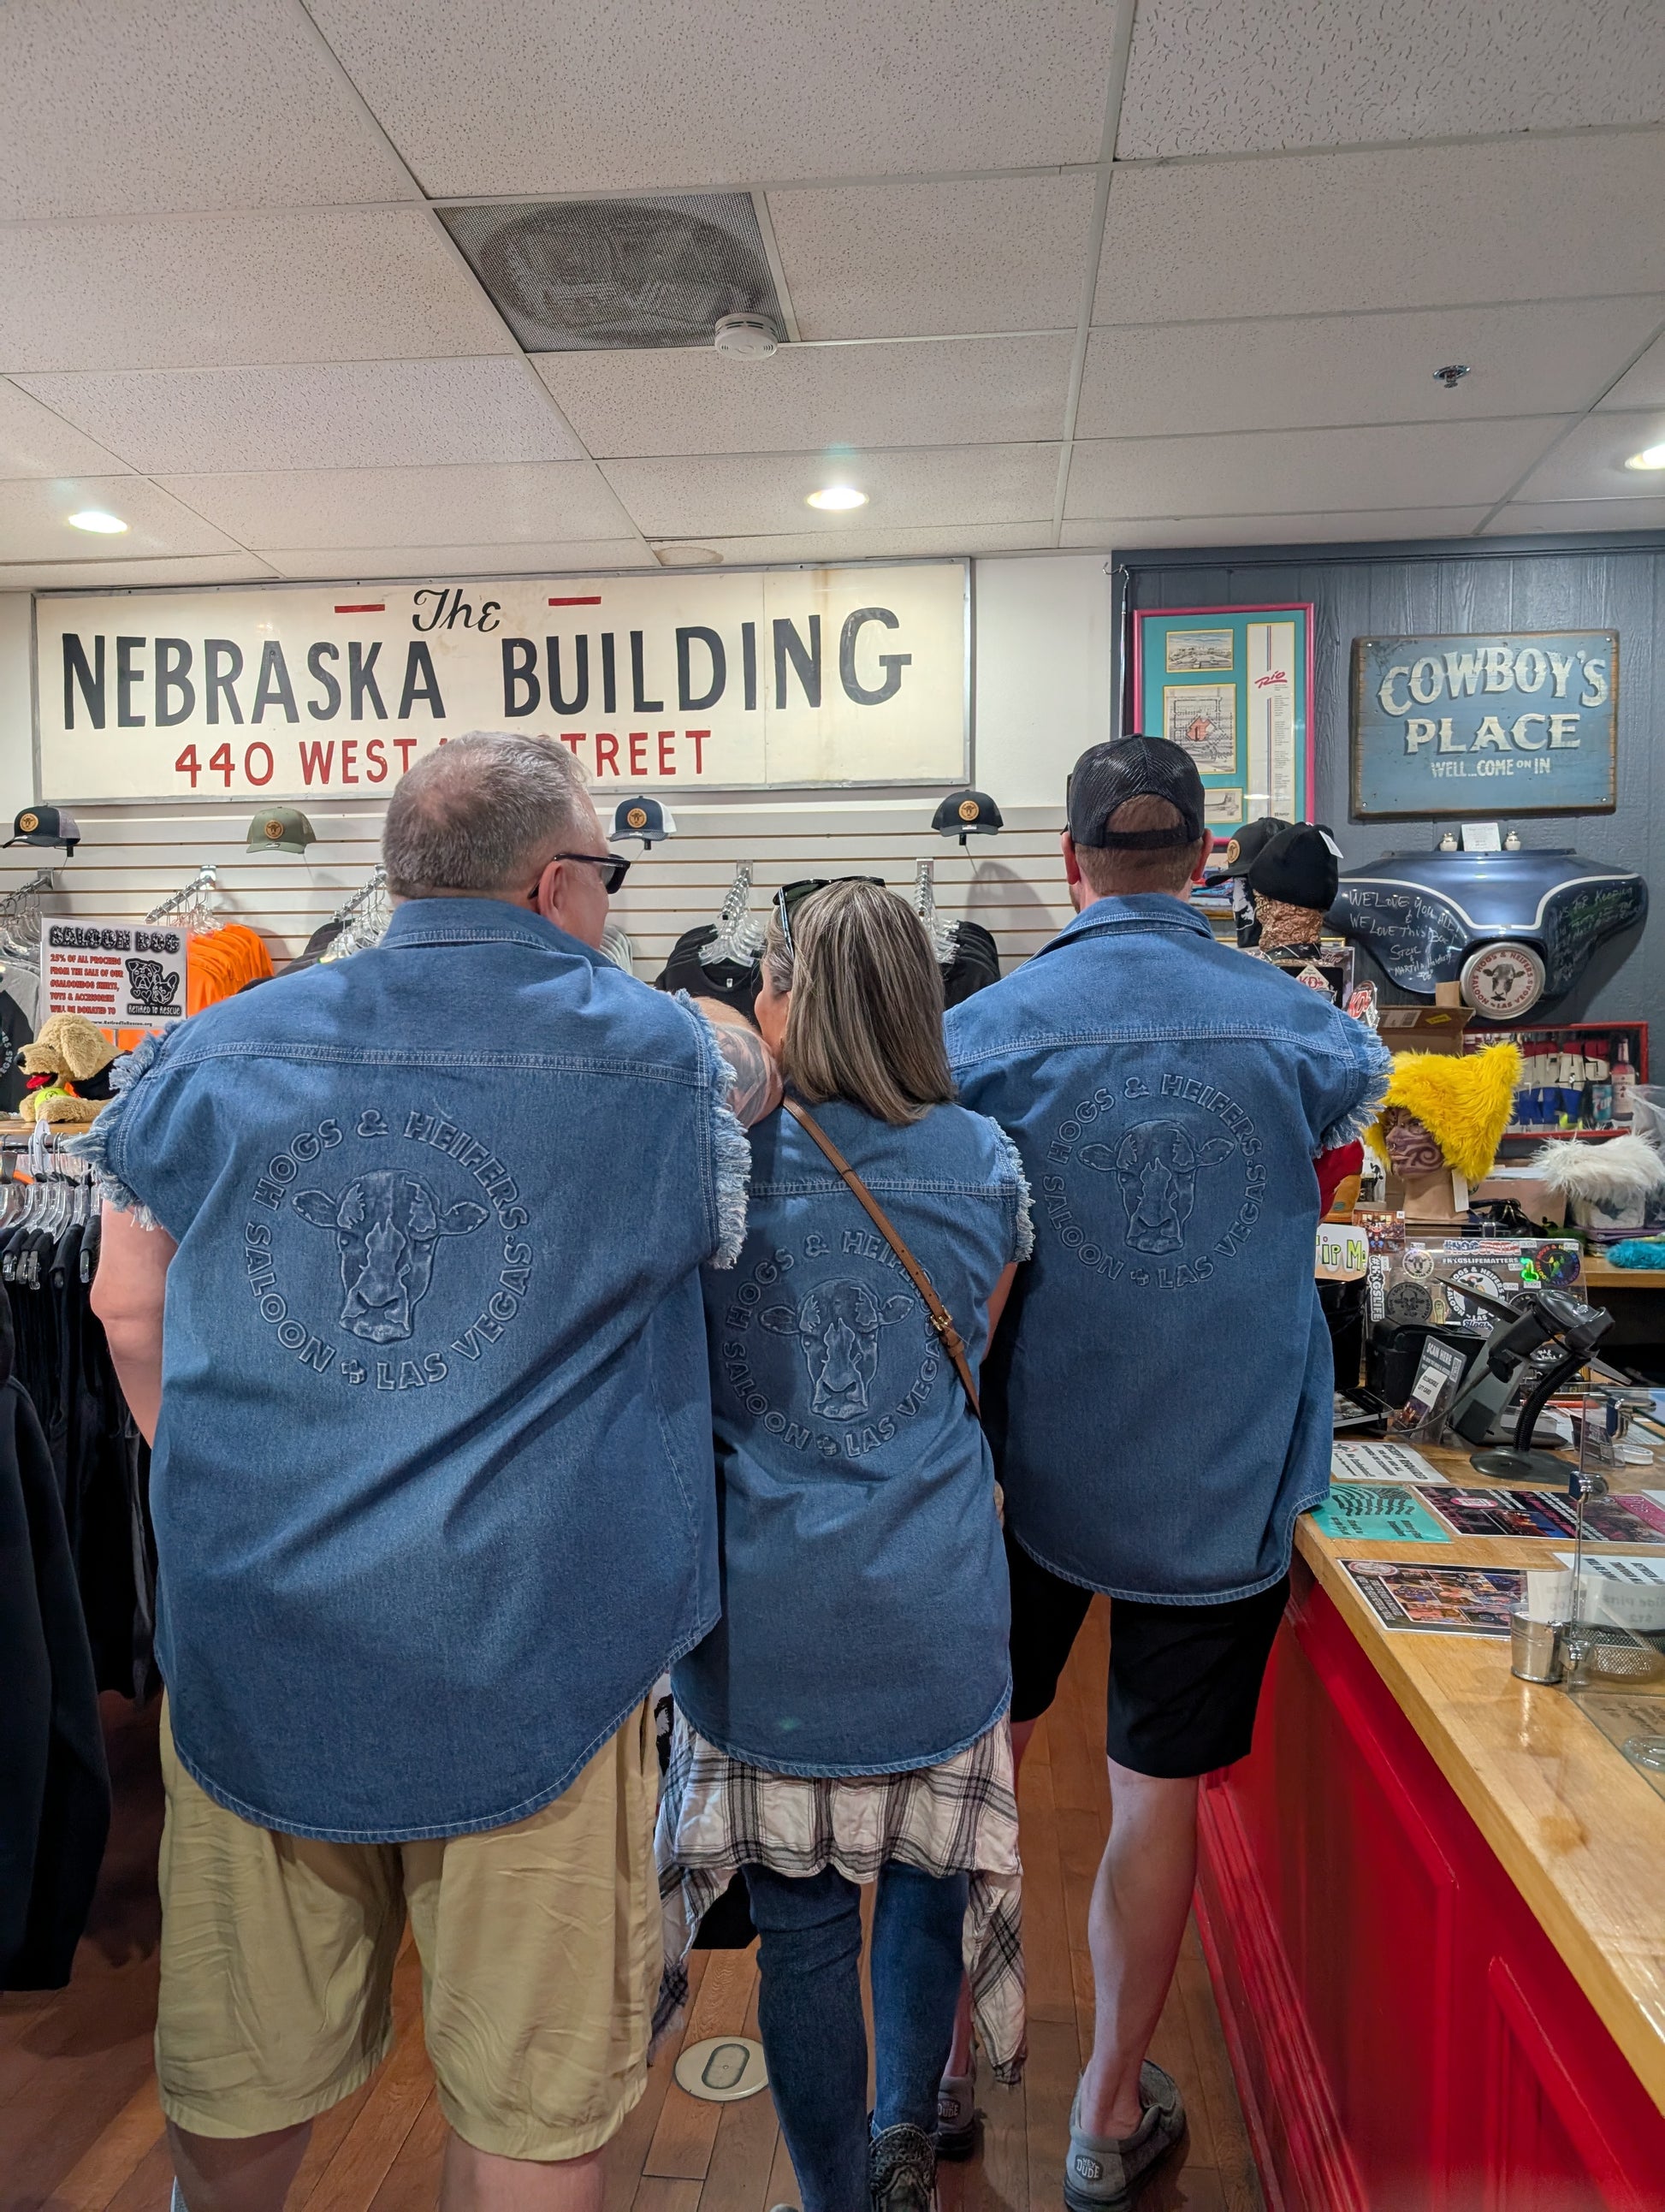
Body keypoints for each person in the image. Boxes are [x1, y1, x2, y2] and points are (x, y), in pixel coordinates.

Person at [83, 732, 780, 2212]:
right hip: (531, 1645)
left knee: (240, 2053)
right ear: (552, 883)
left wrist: (245, 1485)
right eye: (607, 872)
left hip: (264, 1632)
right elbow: (748, 1069)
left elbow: (124, 1307)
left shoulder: (218, 1045)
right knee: (530, 2092)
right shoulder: (655, 1055)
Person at [944, 738, 1389, 2212]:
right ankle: (1102, 2111)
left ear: (1070, 861)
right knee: (1154, 1789)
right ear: (1204, 860)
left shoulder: (983, 1035)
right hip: (1218, 1463)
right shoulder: (1306, 1028)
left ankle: (934, 2075)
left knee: (980, 1769)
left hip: (1023, 1468)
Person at [656, 881, 1033, 2212]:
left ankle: (833, 2196)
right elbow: (969, 1354)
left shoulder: (719, 1164)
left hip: (766, 1611)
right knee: (923, 1890)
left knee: (802, 1934)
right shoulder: (985, 1158)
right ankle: (901, 2145)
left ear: (783, 994)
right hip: (935, 1592)